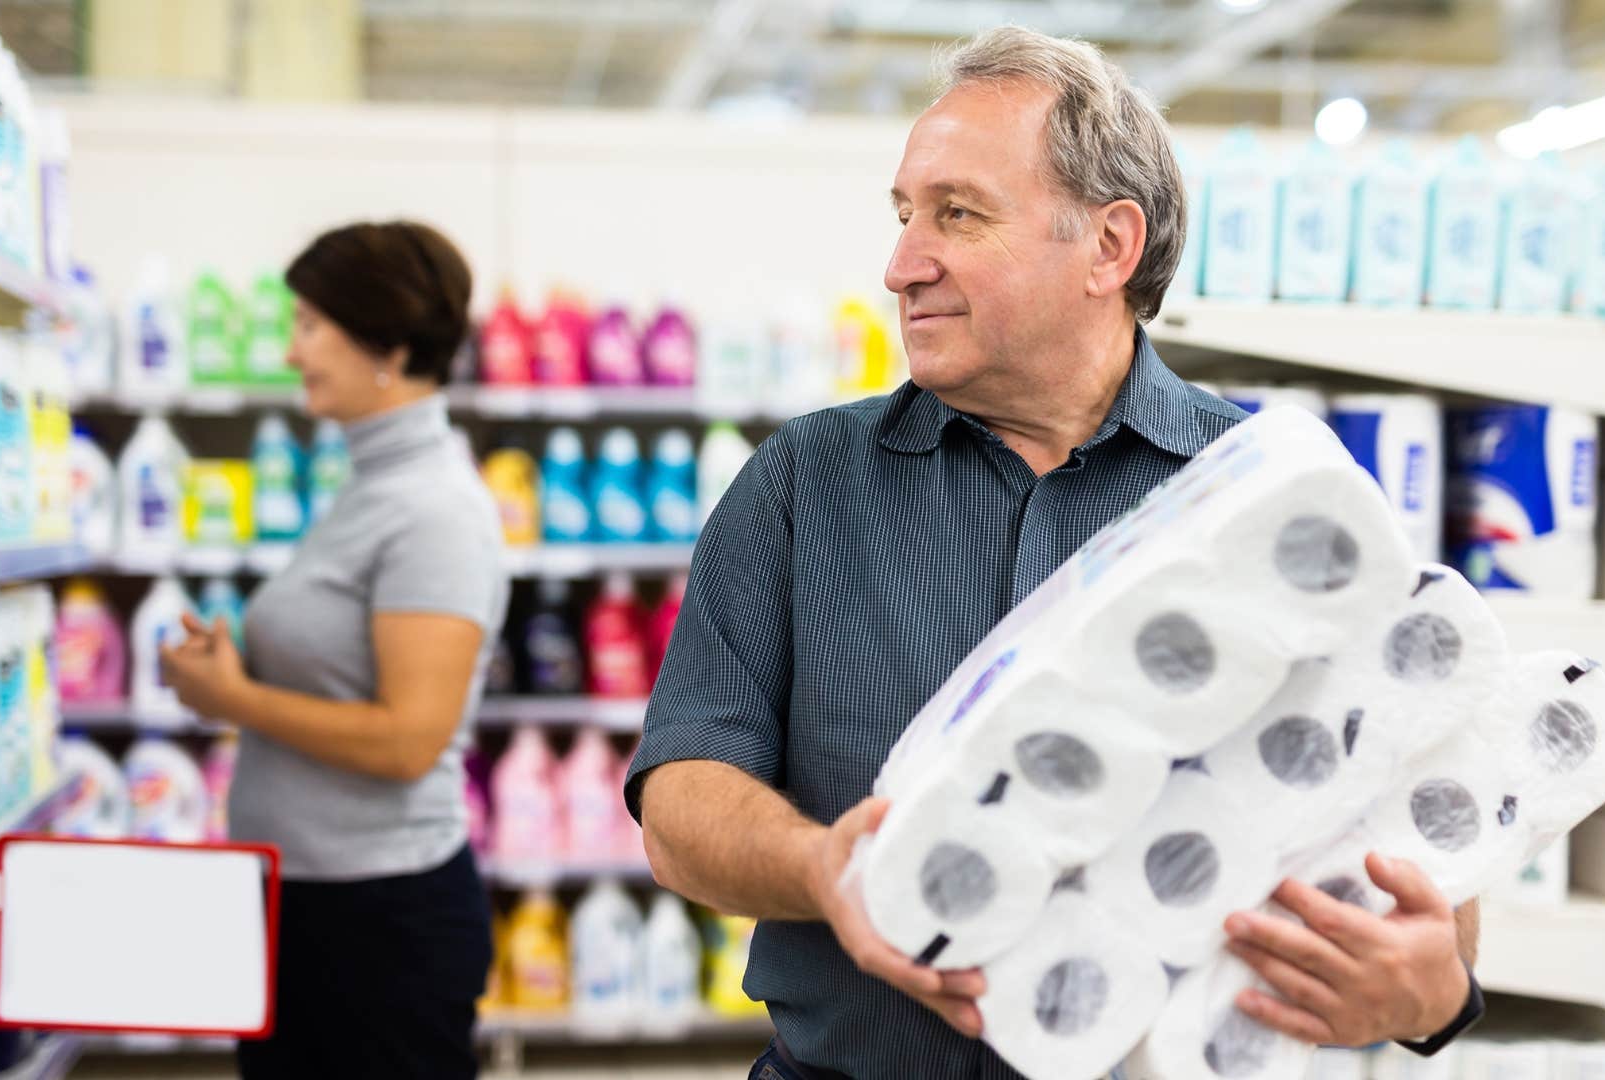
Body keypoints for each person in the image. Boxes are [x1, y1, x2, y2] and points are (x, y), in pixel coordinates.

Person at [625, 28, 1484, 1080]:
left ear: (1109, 247)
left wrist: (1433, 992)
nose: (901, 265)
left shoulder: (1280, 500)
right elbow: (683, 798)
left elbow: (1429, 874)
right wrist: (822, 869)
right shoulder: (805, 483)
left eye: (958, 213)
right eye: (904, 214)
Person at [159, 221, 507, 1080]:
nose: (291, 351)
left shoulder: (436, 511)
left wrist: (234, 700)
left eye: (311, 325)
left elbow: (408, 739)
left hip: (378, 927)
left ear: (388, 345)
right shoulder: (371, 486)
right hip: (312, 902)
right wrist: (237, 663)